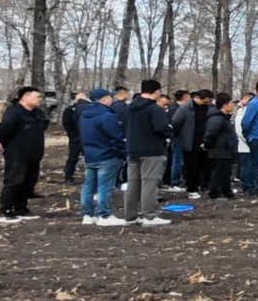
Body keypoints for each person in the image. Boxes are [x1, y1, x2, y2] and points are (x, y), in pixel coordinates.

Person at [120, 78, 174, 227]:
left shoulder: (129, 108)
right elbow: (161, 128)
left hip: (132, 149)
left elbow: (123, 125)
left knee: (133, 184)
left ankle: (130, 216)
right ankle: (150, 216)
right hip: (151, 150)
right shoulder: (155, 109)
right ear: (156, 91)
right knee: (149, 183)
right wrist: (169, 131)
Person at [0, 85, 48, 222]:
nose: (39, 100)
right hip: (17, 155)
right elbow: (3, 132)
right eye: (37, 97)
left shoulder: (38, 113)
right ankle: (6, 210)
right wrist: (10, 146)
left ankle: (21, 208)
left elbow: (44, 126)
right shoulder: (14, 113)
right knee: (14, 182)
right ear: (25, 97)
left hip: (34, 155)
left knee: (28, 184)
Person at [78, 87, 127, 227]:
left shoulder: (84, 115)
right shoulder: (107, 116)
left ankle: (87, 214)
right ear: (105, 99)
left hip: (90, 154)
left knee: (88, 186)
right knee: (104, 186)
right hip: (107, 155)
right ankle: (104, 215)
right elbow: (115, 137)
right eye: (109, 97)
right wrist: (121, 153)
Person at [171, 90, 210, 200]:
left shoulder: (208, 107)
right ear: (197, 97)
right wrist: (180, 137)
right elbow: (176, 122)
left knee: (206, 165)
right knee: (192, 166)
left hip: (204, 140)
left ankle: (205, 185)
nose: (206, 102)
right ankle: (192, 189)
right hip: (190, 140)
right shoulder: (186, 108)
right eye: (204, 100)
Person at [203, 94, 239, 200]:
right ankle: (215, 193)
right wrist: (207, 145)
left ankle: (226, 191)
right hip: (219, 151)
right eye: (231, 103)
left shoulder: (225, 118)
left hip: (226, 151)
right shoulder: (217, 119)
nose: (233, 106)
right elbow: (211, 134)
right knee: (218, 173)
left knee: (226, 173)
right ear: (224, 105)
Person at [60, 89, 87, 183]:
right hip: (75, 137)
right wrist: (72, 134)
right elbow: (66, 123)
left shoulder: (87, 109)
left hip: (85, 137)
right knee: (73, 157)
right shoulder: (70, 110)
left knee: (88, 157)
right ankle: (68, 176)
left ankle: (88, 176)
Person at [165, 90, 190, 187]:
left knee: (179, 161)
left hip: (181, 138)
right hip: (177, 138)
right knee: (177, 161)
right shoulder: (175, 109)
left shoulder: (179, 108)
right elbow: (175, 124)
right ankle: (175, 182)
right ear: (185, 97)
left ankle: (178, 179)